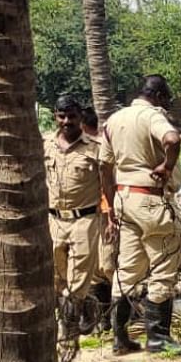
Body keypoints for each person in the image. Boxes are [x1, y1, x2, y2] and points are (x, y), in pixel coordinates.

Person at [100, 75, 181, 354]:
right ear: (158, 96)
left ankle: (119, 338)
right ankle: (158, 337)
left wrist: (111, 206)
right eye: (167, 100)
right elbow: (172, 139)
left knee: (127, 269)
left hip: (124, 199)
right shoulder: (152, 116)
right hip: (150, 200)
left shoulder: (114, 120)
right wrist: (167, 167)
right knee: (163, 263)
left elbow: (104, 166)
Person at [44, 95, 116, 340]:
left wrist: (111, 217)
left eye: (72, 116)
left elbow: (107, 185)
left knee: (79, 277)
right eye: (61, 116)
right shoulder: (45, 146)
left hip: (85, 220)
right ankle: (86, 310)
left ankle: (70, 331)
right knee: (56, 276)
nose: (66, 121)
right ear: (55, 116)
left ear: (80, 118)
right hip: (53, 220)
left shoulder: (94, 149)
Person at [82, 106, 117, 334]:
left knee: (109, 266)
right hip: (90, 215)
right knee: (95, 270)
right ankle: (101, 322)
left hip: (107, 215)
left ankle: (117, 324)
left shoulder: (102, 149)